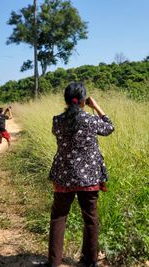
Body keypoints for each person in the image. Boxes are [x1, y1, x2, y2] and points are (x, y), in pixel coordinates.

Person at [45, 82, 114, 267]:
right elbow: (109, 127)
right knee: (90, 219)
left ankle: (54, 262)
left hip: (63, 177)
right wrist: (96, 106)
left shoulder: (57, 121)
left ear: (66, 101)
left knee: (58, 218)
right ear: (84, 101)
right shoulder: (91, 121)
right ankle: (90, 262)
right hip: (89, 178)